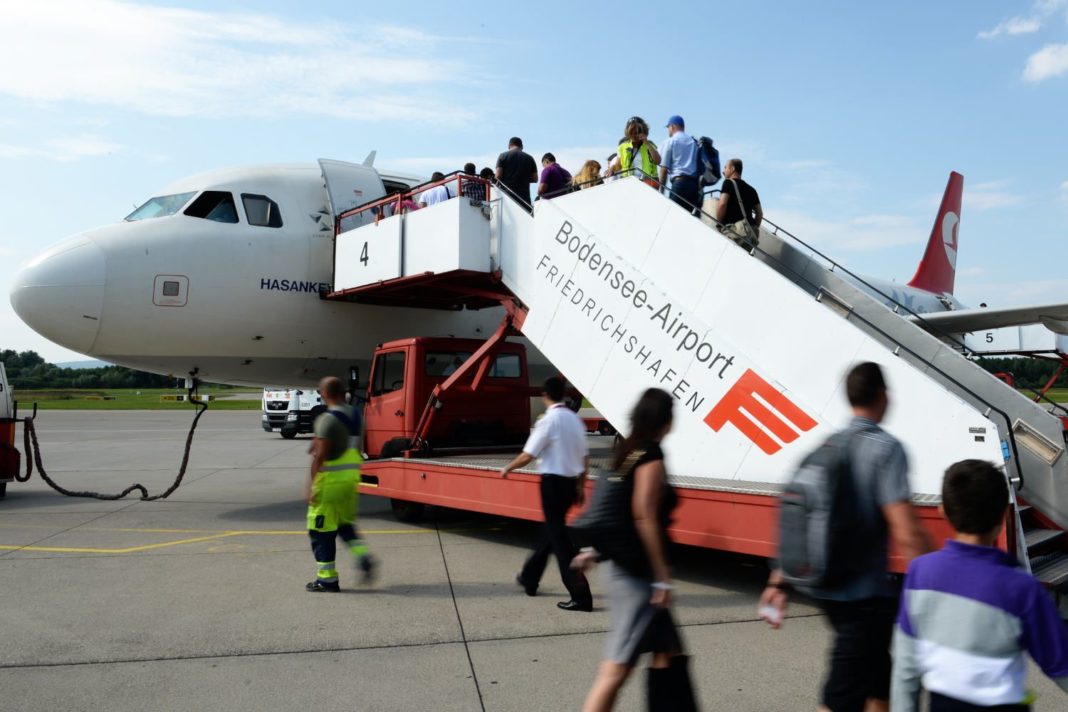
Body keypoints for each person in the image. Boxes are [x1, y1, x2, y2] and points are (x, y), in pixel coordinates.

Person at [759, 362, 931, 712]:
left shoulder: (827, 446)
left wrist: (778, 582)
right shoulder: (886, 449)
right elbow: (906, 531)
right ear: (883, 396)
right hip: (861, 596)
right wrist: (943, 578)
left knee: (879, 681)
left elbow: (799, 518)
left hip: (828, 586)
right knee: (841, 697)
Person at [891, 460, 1068, 712]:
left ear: (943, 512)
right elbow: (1060, 665)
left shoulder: (921, 572)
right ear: (1000, 516)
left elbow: (906, 669)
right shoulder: (1021, 587)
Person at [573, 388, 696, 712]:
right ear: (666, 420)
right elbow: (643, 516)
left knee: (667, 653)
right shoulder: (651, 455)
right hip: (637, 577)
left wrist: (594, 551)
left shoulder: (625, 451)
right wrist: (662, 577)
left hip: (622, 568)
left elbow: (613, 510)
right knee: (616, 669)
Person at [500, 376, 593, 612]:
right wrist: (581, 487)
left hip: (553, 486)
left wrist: (508, 467)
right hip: (571, 485)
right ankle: (529, 578)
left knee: (561, 543)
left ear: (544, 395)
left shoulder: (549, 421)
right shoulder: (575, 420)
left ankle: (581, 596)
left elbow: (529, 454)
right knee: (551, 532)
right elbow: (585, 458)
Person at [304, 376, 375, 592]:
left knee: (320, 531)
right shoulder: (356, 415)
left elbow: (320, 457)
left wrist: (310, 487)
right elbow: (350, 445)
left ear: (324, 393)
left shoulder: (326, 419)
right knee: (344, 525)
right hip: (349, 480)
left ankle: (327, 579)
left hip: (330, 484)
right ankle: (363, 557)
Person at [657, 115, 701, 213]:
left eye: (668, 128)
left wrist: (661, 191)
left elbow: (664, 170)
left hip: (679, 185)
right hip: (694, 186)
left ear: (672, 126)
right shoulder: (694, 142)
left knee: (674, 216)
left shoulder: (671, 141)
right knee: (692, 220)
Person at [715, 158, 763, 243]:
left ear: (732, 169)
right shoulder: (752, 190)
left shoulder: (728, 183)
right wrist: (751, 229)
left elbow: (722, 204)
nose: (723, 171)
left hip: (733, 232)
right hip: (749, 236)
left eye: (725, 167)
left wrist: (719, 224)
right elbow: (759, 214)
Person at [605, 117, 661, 187]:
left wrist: (646, 143)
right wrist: (611, 168)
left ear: (643, 131)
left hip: (648, 184)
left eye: (637, 132)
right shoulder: (623, 147)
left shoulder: (650, 145)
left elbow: (658, 161)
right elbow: (618, 164)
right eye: (631, 132)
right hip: (629, 184)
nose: (634, 135)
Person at [495, 137, 538, 211]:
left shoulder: (503, 156)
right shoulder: (530, 158)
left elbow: (498, 176)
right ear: (522, 146)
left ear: (509, 146)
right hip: (524, 198)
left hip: (507, 196)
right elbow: (535, 179)